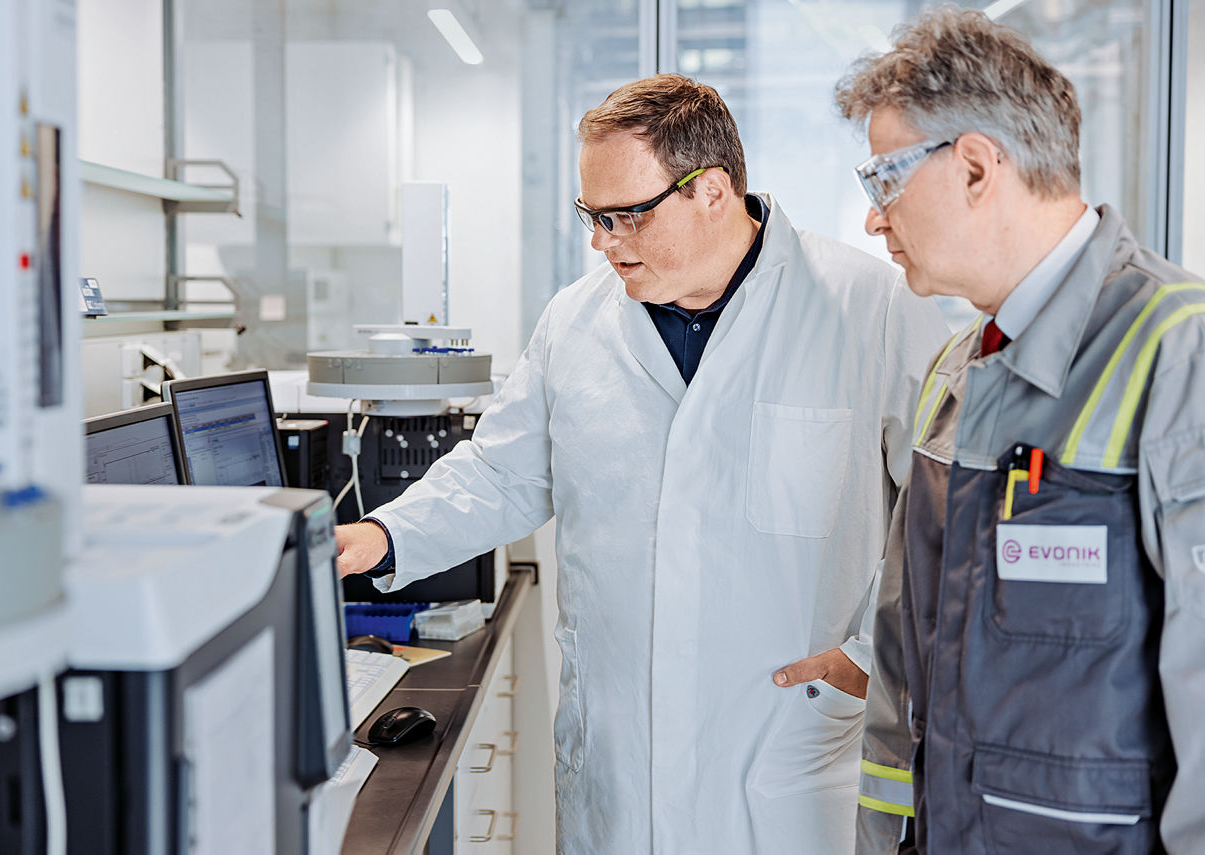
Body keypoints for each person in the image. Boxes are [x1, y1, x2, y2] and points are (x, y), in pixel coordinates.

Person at [337, 73, 948, 854]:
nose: (603, 241)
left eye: (626, 215)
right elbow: (501, 471)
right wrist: (380, 536)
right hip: (619, 767)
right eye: (592, 216)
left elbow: (945, 514)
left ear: (713, 192)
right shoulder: (575, 321)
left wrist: (871, 656)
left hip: (785, 753)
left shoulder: (870, 307)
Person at [835, 8, 1205, 854]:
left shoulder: (1178, 350)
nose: (874, 219)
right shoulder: (959, 371)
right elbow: (904, 675)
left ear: (973, 167)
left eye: (883, 180)